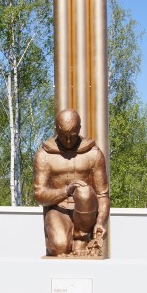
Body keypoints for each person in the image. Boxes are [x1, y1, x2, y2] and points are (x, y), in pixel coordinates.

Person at [33, 108, 110, 257]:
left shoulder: (93, 154)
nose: (68, 141)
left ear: (79, 129)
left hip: (86, 212)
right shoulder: (44, 155)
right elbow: (39, 195)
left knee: (84, 191)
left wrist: (101, 222)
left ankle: (81, 239)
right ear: (56, 130)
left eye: (73, 136)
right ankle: (65, 240)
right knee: (59, 248)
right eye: (63, 136)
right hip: (58, 209)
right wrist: (66, 191)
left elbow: (102, 195)